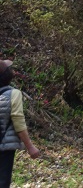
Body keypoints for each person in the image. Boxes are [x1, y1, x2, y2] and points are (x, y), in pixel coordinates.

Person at [0, 60, 41, 188]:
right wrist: (30, 147)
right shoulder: (13, 94)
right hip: (4, 148)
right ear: (7, 75)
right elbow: (18, 121)